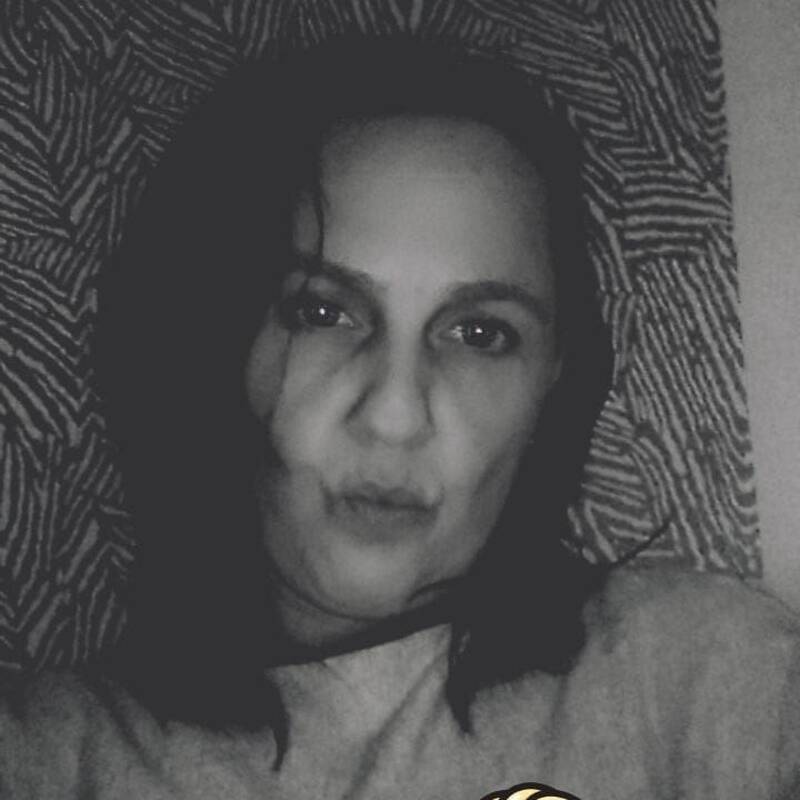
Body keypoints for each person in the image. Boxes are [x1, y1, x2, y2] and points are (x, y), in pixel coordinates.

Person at [1, 35, 798, 800]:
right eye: (321, 312)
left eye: (482, 334)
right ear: (215, 339)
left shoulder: (708, 682)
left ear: (552, 384)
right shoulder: (46, 758)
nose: (394, 415)